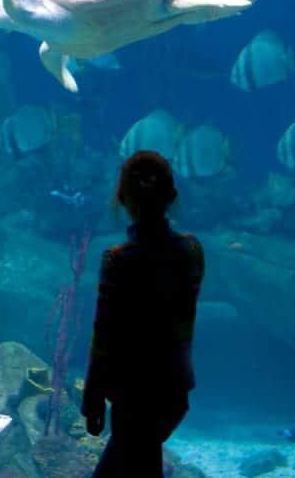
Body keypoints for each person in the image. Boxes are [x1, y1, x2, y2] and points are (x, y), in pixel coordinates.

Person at [81, 150, 205, 477]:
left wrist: (92, 398)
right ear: (172, 196)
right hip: (174, 392)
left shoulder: (118, 260)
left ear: (121, 198)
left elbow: (103, 333)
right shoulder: (191, 251)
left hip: (132, 394)